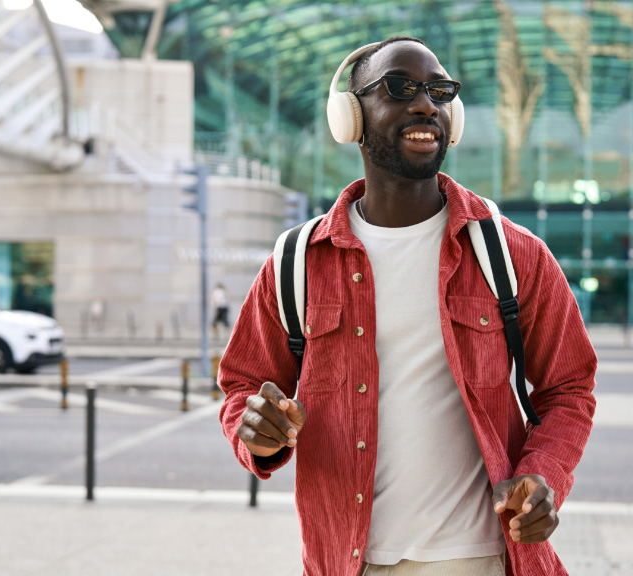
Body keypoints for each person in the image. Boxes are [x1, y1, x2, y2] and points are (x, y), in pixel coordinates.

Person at [218, 37, 596, 576]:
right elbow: (242, 383)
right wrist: (253, 429)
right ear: (350, 117)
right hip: (347, 561)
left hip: (484, 559)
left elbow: (569, 386)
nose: (426, 105)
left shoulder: (511, 254)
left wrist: (544, 474)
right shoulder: (297, 262)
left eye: (440, 92)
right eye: (399, 88)